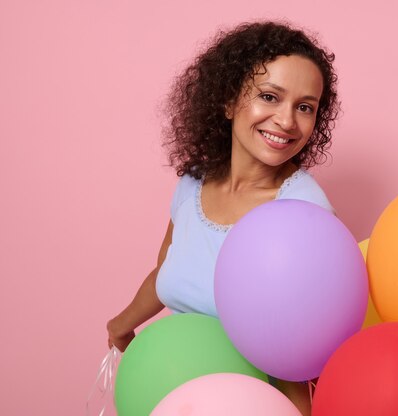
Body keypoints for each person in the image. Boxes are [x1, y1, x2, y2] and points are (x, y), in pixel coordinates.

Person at [106, 21, 339, 415]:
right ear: (228, 101)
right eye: (270, 97)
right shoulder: (192, 183)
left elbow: (293, 352)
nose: (286, 120)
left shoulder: (304, 213)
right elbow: (166, 269)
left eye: (305, 107)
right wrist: (121, 324)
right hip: (172, 394)